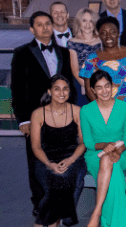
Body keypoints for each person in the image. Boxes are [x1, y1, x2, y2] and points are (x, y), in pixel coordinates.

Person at [12, 11, 77, 215]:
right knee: (36, 159)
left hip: (62, 116)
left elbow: (70, 86)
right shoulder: (21, 52)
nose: (45, 27)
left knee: (62, 155)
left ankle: (62, 200)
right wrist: (22, 119)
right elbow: (17, 87)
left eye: (48, 23)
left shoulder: (64, 53)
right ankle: (39, 204)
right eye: (39, 25)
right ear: (32, 29)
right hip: (35, 116)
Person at [30, 75, 86, 227]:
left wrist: (70, 160)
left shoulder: (77, 111)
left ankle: (40, 224)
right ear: (49, 91)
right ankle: (60, 219)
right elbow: (36, 147)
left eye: (65, 89)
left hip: (74, 159)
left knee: (59, 184)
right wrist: (50, 164)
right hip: (45, 161)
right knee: (58, 181)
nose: (61, 93)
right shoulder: (38, 114)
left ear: (69, 91)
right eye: (57, 89)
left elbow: (83, 142)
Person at [80, 70, 126, 227]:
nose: (104, 91)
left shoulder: (125, 107)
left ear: (112, 87)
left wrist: (117, 150)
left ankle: (97, 213)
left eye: (107, 86)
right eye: (99, 87)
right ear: (93, 90)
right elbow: (88, 142)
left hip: (121, 152)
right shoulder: (86, 110)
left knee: (109, 161)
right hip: (95, 155)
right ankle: (115, 222)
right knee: (113, 173)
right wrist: (104, 146)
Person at [80, 16, 126, 102]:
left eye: (113, 32)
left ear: (118, 33)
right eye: (103, 33)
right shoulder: (91, 59)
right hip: (104, 111)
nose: (108, 36)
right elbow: (88, 89)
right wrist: (101, 109)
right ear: (98, 35)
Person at [67, 8, 102, 106]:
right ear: (79, 23)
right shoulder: (72, 43)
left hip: (101, 85)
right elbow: (75, 70)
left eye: (91, 21)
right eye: (84, 21)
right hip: (81, 85)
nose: (88, 24)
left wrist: (99, 87)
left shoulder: (102, 41)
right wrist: (89, 88)